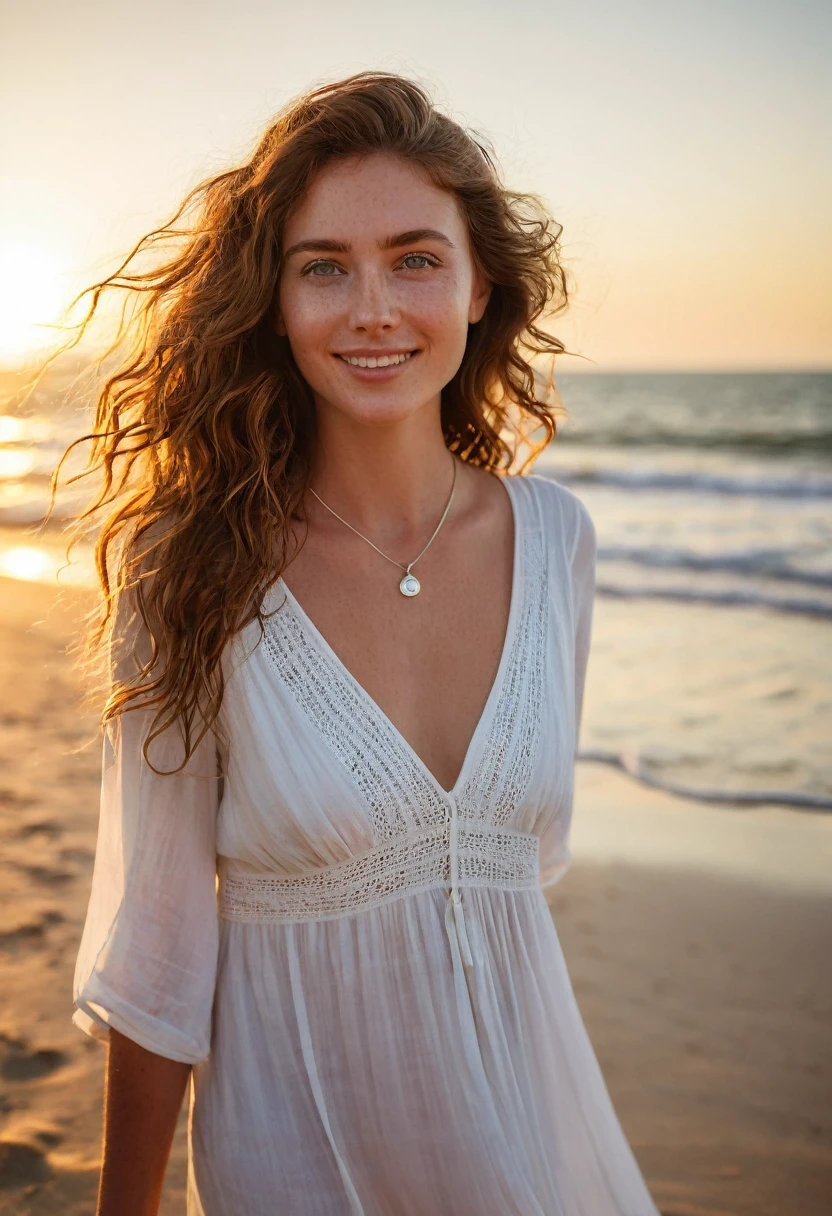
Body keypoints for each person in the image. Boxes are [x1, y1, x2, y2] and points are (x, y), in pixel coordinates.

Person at [66, 71, 661, 1216]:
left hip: (537, 1159)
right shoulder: (188, 570)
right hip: (299, 1167)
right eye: (323, 266)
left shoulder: (556, 543)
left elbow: (508, 891)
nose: (372, 307)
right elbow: (160, 950)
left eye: (414, 258)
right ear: (274, 301)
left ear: (480, 283)